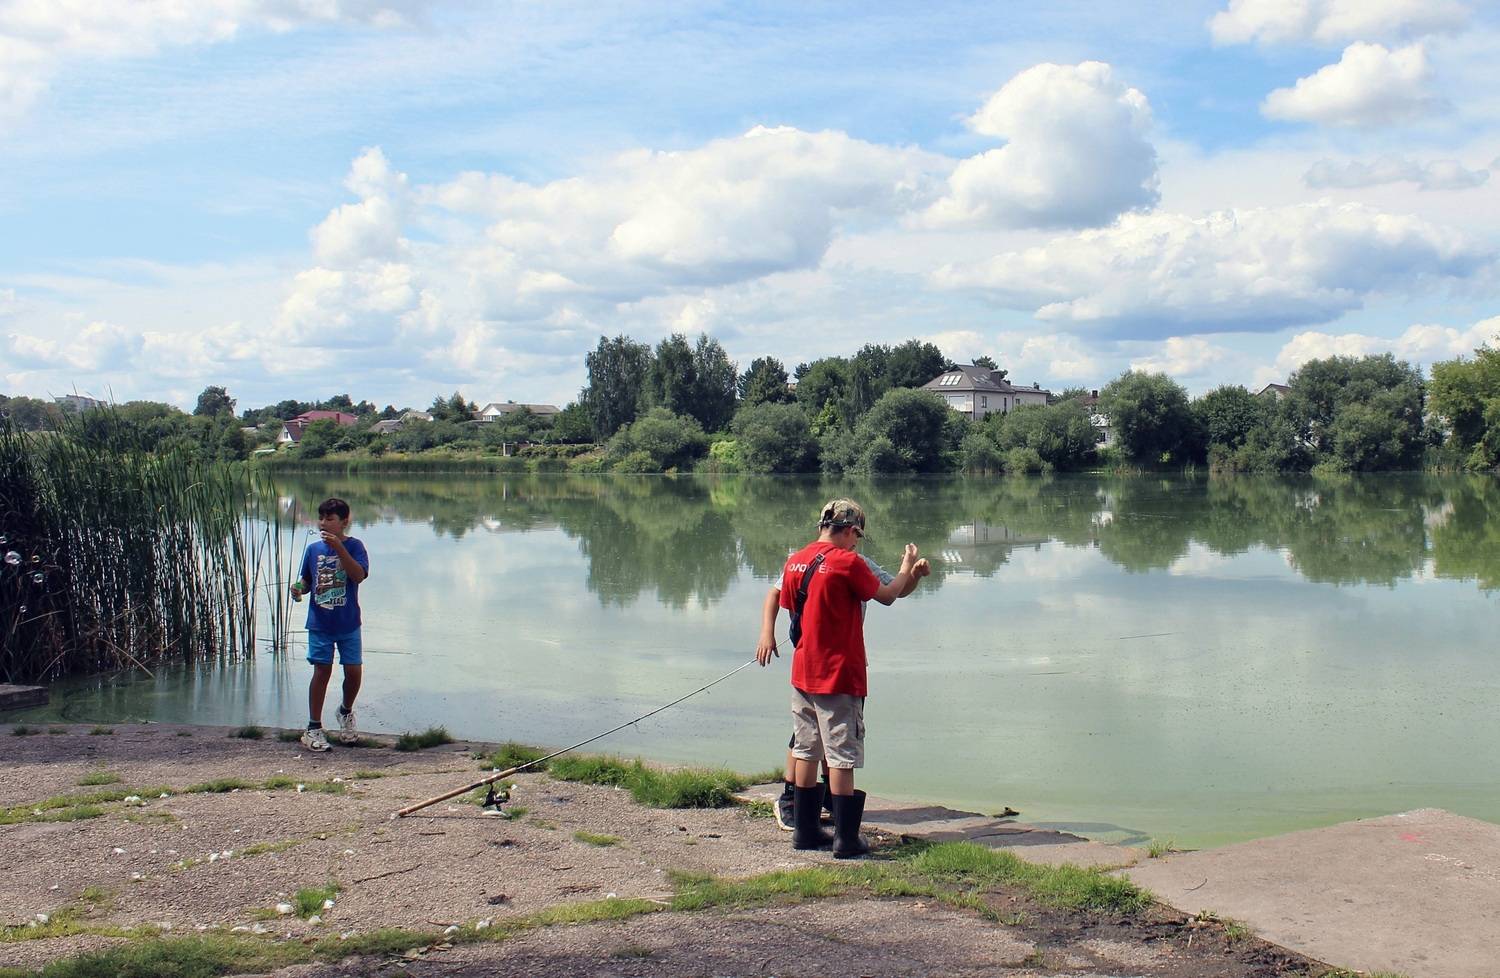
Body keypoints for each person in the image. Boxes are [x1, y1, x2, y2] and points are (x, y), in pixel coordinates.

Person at [760, 499, 926, 857]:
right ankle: (846, 840)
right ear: (850, 531)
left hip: (803, 671)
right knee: (841, 755)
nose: (856, 543)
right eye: (856, 537)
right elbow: (887, 595)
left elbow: (788, 604)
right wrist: (906, 566)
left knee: (806, 750)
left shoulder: (795, 561)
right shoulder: (849, 562)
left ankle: (805, 832)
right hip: (839, 673)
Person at [290, 498, 370, 752]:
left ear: (344, 522)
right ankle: (313, 728)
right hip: (320, 623)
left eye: (330, 519)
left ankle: (345, 711)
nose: (323, 523)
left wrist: (339, 548)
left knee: (353, 671)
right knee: (322, 671)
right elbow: (306, 579)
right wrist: (299, 588)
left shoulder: (355, 546)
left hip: (348, 622)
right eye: (321, 518)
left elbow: (358, 575)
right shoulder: (313, 549)